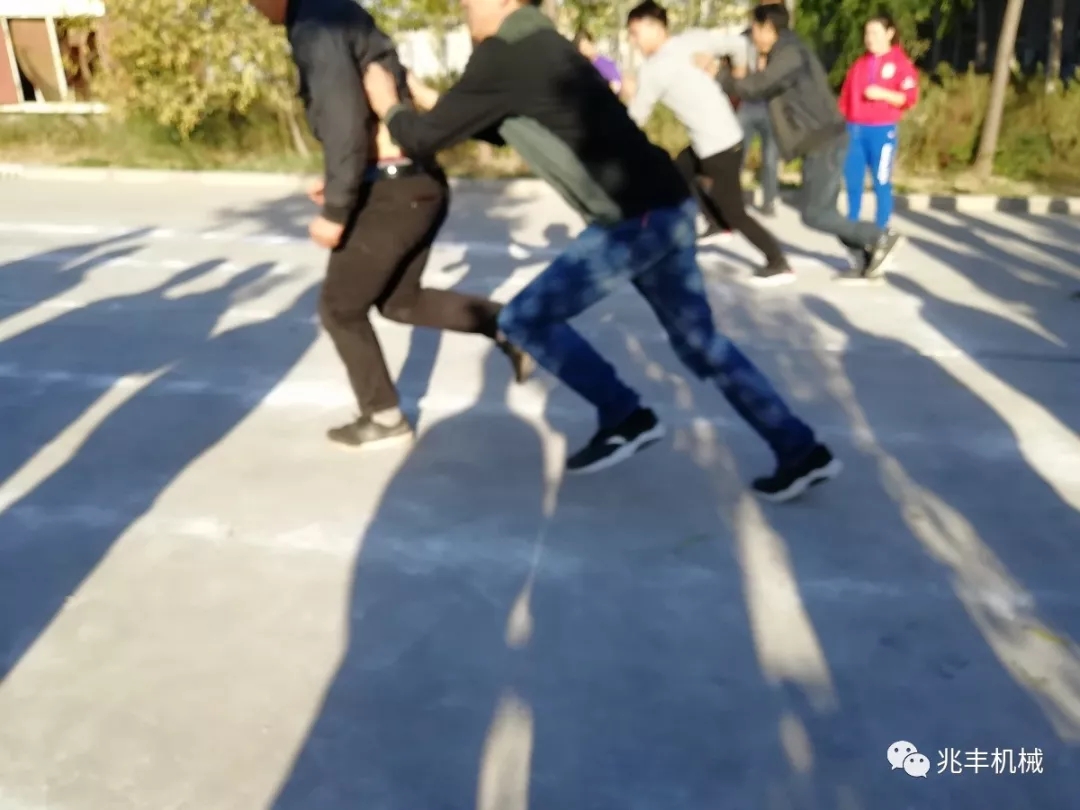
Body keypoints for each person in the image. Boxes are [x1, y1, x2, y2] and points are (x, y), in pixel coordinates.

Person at [363, 0, 841, 500]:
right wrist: (425, 97)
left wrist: (387, 104)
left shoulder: (503, 53)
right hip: (667, 205)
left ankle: (624, 414)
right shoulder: (542, 43)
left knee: (525, 319)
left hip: (636, 218)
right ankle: (800, 450)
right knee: (700, 343)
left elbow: (423, 138)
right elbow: (495, 119)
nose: (464, 4)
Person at [247, 0, 531, 450]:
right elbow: (360, 112)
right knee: (401, 302)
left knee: (340, 308)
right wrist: (344, 179)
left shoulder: (317, 24)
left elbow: (343, 121)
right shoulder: (341, 12)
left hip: (394, 191)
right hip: (416, 182)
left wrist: (336, 210)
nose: (251, 7)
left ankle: (383, 417)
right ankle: (511, 324)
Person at [720, 3, 902, 279]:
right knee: (823, 211)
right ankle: (867, 252)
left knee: (815, 214)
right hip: (819, 141)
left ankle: (879, 237)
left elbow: (758, 86)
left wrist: (721, 77)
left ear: (768, 28)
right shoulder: (785, 50)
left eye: (755, 29)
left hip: (825, 141)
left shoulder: (790, 53)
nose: (753, 36)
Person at [625, 0, 792, 284]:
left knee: (734, 211)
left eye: (635, 33)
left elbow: (635, 118)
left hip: (717, 146)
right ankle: (716, 224)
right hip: (724, 135)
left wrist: (627, 95)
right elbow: (739, 45)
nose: (633, 40)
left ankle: (778, 262)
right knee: (679, 170)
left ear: (655, 28)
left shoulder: (654, 70)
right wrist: (739, 71)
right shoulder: (692, 40)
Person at [838, 11, 919, 231]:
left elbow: (909, 98)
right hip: (854, 130)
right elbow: (844, 100)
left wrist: (883, 94)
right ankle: (852, 225)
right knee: (853, 180)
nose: (869, 38)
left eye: (875, 32)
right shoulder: (859, 65)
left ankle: (881, 228)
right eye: (867, 33)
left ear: (889, 33)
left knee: (881, 180)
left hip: (881, 130)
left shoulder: (900, 63)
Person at [573, 27, 622, 94]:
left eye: (587, 46)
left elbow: (617, 86)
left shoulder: (607, 65)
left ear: (592, 43)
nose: (586, 51)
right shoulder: (580, 69)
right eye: (583, 49)